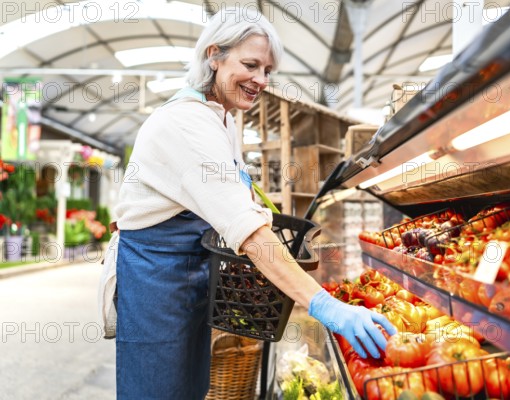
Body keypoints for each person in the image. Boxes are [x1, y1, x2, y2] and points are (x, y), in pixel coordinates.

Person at [113, 7, 396, 399]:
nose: (261, 80)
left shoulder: (222, 118)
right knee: (158, 389)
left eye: (267, 70)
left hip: (190, 273)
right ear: (214, 55)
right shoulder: (187, 123)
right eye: (250, 65)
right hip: (156, 280)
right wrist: (324, 305)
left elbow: (238, 198)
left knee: (190, 386)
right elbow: (246, 230)